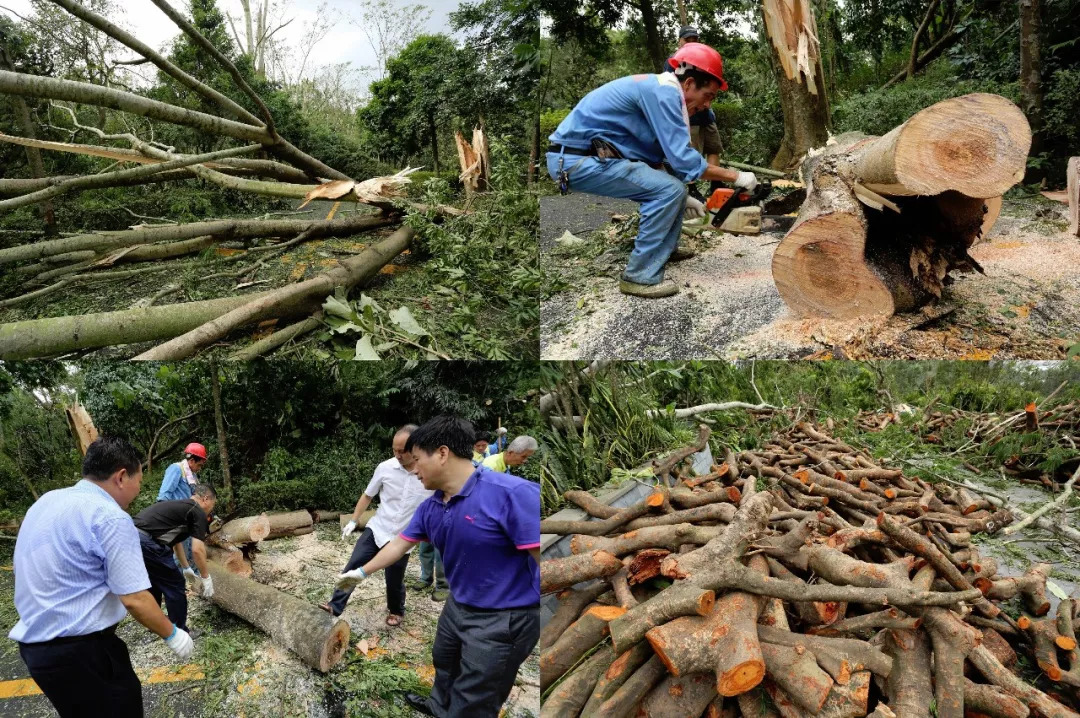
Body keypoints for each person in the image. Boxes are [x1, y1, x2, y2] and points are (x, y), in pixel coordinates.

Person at [333, 416, 540, 718]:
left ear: (442, 454)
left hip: (503, 616)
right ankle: (438, 706)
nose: (413, 469)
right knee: (445, 661)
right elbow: (399, 544)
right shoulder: (432, 506)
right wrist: (361, 572)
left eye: (417, 460)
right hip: (459, 604)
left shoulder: (512, 494)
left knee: (476, 694)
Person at [547, 42, 758, 299]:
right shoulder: (664, 93)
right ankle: (639, 276)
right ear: (689, 83)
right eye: (709, 96)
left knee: (672, 189)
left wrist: (683, 196)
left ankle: (663, 250)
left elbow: (659, 160)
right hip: (574, 161)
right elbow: (686, 163)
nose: (707, 105)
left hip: (591, 158)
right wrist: (736, 177)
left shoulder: (660, 92)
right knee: (668, 190)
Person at [9, 437, 194, 718]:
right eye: (139, 481)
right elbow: (134, 599)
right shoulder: (110, 517)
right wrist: (173, 634)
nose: (138, 490)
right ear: (121, 476)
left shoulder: (47, 501)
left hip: (37, 651)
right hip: (82, 651)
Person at [320, 424, 432, 626]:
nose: (397, 455)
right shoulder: (385, 468)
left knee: (394, 579)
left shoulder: (427, 474)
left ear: (416, 449)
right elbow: (367, 495)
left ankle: (397, 610)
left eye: (402, 451)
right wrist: (354, 520)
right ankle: (334, 606)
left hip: (403, 537)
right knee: (354, 565)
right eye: (394, 450)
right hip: (378, 528)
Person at [133, 483, 217, 636]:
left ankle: (155, 625)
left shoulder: (183, 507)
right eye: (213, 503)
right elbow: (197, 550)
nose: (212, 508)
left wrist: (186, 567)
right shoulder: (196, 510)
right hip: (147, 542)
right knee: (176, 585)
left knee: (154, 584)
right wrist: (206, 577)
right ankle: (180, 631)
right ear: (206, 499)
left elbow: (176, 542)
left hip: (133, 535)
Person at [671, 26, 724, 168]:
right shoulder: (675, 61)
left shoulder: (702, 57)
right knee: (692, 153)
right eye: (687, 39)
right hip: (691, 117)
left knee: (713, 148)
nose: (691, 42)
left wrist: (707, 100)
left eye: (694, 39)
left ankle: (716, 184)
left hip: (706, 116)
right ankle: (692, 186)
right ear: (680, 41)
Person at [157, 442, 209, 574]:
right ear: (191, 460)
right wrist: (167, 520)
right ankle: (177, 584)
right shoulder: (176, 469)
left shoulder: (193, 476)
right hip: (177, 518)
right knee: (180, 554)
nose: (200, 468)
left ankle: (195, 583)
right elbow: (164, 495)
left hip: (188, 519)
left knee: (192, 550)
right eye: (199, 464)